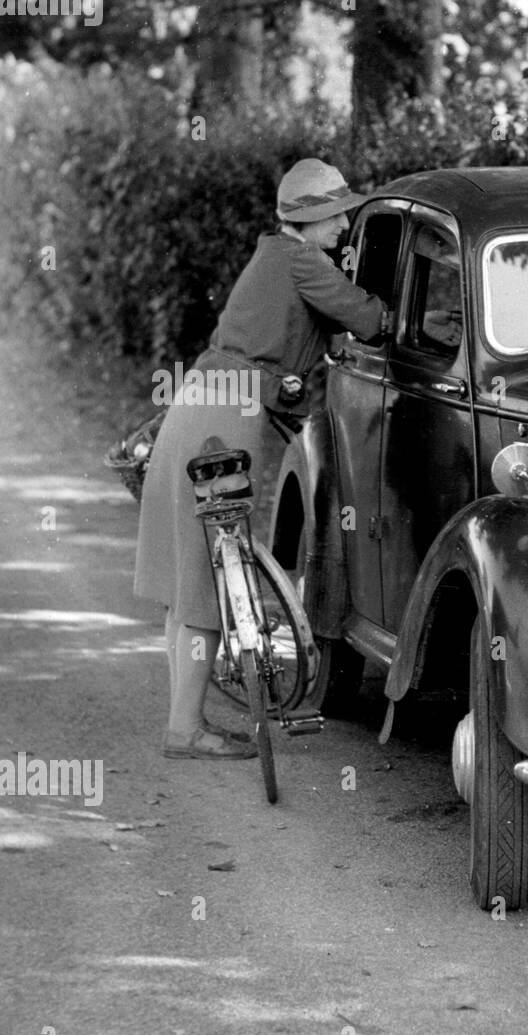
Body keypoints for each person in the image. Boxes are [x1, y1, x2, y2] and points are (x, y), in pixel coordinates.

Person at [134, 159, 390, 759]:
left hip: (195, 404)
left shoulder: (275, 257)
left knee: (185, 576)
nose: (347, 222)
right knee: (207, 577)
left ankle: (184, 719)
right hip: (227, 419)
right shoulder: (304, 260)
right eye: (338, 213)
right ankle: (185, 731)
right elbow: (371, 321)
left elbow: (307, 336)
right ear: (313, 217)